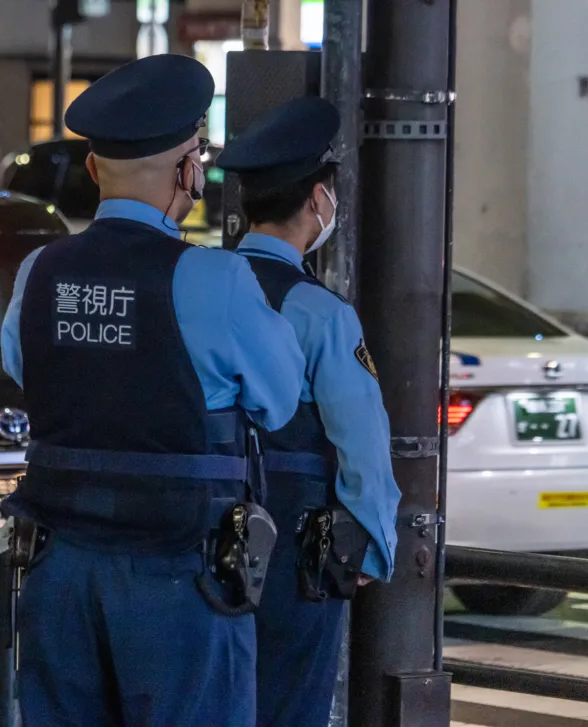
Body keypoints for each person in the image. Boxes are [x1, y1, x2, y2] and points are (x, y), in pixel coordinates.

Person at [0, 54, 307, 727]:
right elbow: (279, 400)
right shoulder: (215, 278)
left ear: (92, 169)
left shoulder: (40, 270)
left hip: (60, 564)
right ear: (188, 169)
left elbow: (26, 369)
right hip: (179, 568)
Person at [216, 96, 402, 727]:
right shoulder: (321, 313)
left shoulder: (199, 285)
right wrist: (370, 545)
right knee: (289, 700)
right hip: (294, 541)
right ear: (319, 199)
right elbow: (361, 440)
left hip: (199, 524)